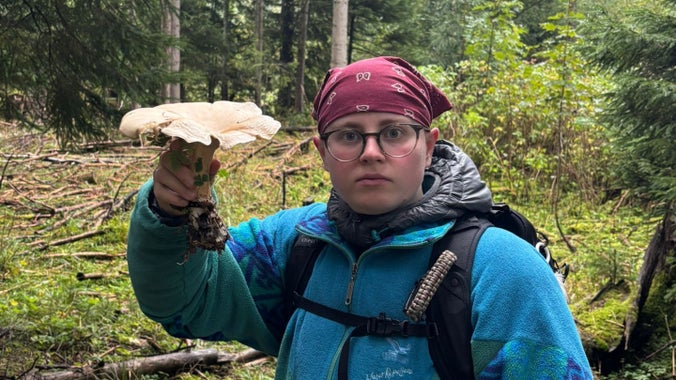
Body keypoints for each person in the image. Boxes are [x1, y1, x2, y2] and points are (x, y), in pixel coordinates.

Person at [126, 56, 593, 379]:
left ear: (429, 147)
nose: (372, 153)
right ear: (322, 153)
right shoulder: (293, 242)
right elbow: (185, 305)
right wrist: (171, 214)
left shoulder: (500, 267)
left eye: (393, 133)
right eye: (349, 136)